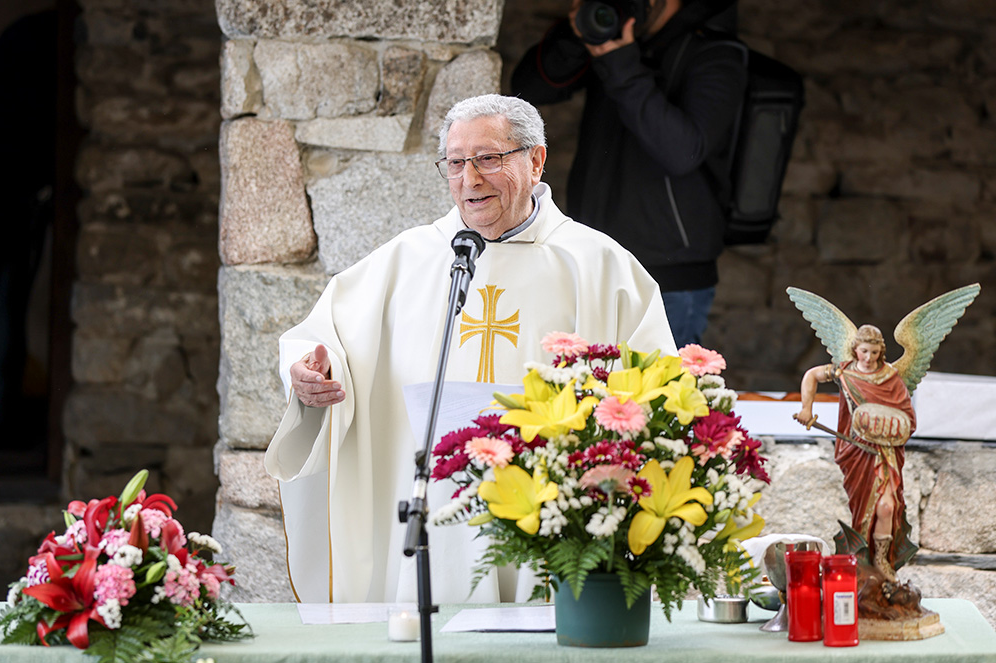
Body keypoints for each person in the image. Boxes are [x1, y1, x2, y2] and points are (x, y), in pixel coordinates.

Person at [263, 94, 677, 604]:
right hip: (433, 500)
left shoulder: (600, 267)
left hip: (551, 510)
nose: (470, 179)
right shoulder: (406, 259)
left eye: (488, 159)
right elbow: (322, 339)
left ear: (536, 160)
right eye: (456, 163)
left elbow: (660, 385)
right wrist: (306, 371)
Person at [511, 0, 747, 348]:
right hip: (592, 262)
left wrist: (620, 62)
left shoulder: (716, 52)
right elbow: (527, 91)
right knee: (585, 395)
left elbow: (683, 151)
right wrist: (580, 34)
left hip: (671, 276)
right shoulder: (609, 32)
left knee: (657, 397)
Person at [795, 325, 916, 581]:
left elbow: (906, 417)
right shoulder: (843, 371)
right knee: (861, 509)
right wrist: (806, 408)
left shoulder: (890, 377)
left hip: (884, 454)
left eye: (874, 352)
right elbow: (811, 376)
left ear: (881, 351)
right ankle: (862, 564)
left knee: (886, 506)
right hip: (856, 452)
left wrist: (889, 429)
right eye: (864, 351)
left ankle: (882, 560)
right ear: (855, 349)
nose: (868, 357)